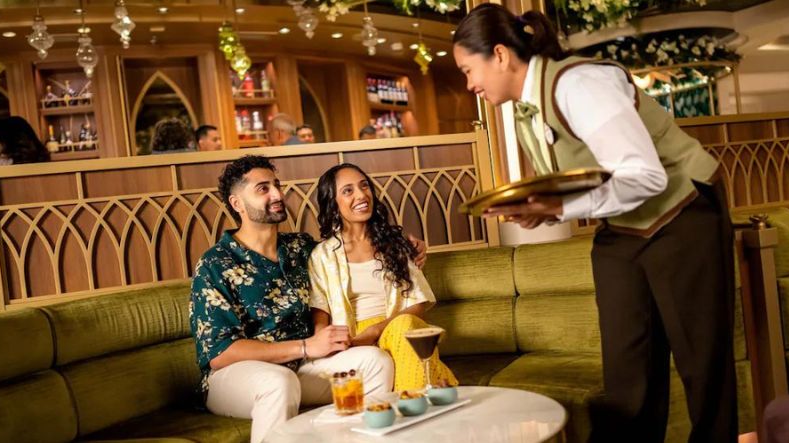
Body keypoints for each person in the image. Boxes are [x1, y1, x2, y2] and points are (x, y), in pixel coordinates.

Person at [452, 4, 735, 442]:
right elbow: (584, 175)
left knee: (702, 364)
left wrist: (560, 210)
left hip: (684, 210)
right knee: (627, 372)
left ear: (502, 56)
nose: (470, 85)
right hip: (624, 226)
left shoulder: (580, 85)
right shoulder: (527, 106)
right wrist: (539, 206)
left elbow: (646, 175)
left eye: (469, 70)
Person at [190, 155, 428, 443]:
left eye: (277, 185)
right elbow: (219, 353)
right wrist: (305, 346)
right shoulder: (216, 263)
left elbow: (352, 251)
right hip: (235, 379)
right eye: (263, 189)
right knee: (278, 382)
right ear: (237, 203)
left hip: (302, 367)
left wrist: (403, 245)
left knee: (374, 361)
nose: (278, 194)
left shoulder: (301, 248)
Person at [308, 163, 457, 392]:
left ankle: (410, 405)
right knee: (410, 343)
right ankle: (425, 399)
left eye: (364, 186)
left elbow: (418, 302)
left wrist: (376, 331)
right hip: (352, 339)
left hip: (395, 327)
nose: (361, 195)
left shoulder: (395, 244)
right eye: (348, 191)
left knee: (405, 325)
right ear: (333, 203)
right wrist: (327, 343)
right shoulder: (322, 255)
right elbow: (320, 309)